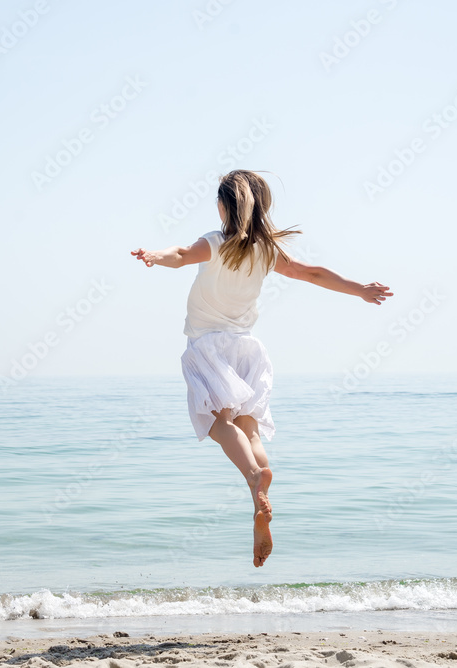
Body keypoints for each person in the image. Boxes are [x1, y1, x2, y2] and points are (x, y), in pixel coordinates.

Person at [131, 169, 393, 567]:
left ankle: (255, 477)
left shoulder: (216, 243)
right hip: (248, 349)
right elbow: (311, 273)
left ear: (223, 206)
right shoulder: (267, 251)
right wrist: (359, 290)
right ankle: (259, 485)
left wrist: (153, 256)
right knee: (250, 427)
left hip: (208, 347)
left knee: (218, 423)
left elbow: (181, 255)